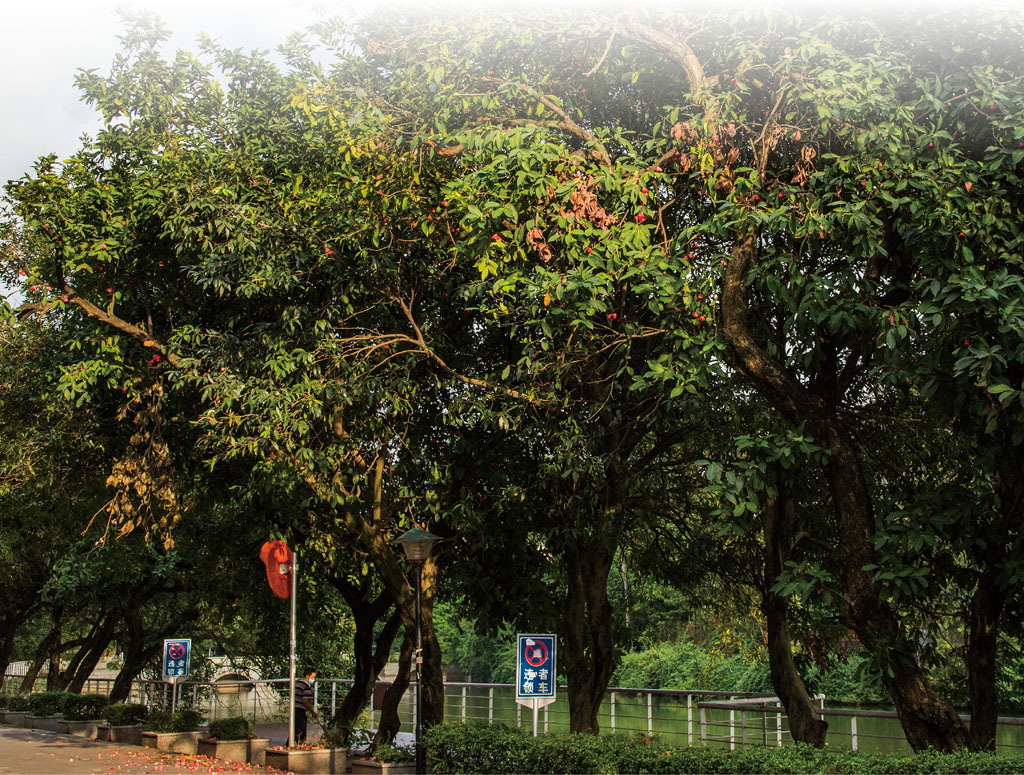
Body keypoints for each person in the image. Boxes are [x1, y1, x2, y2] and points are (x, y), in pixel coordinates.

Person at [293, 666, 318, 744]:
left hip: (294, 708)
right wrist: (312, 711)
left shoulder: (297, 682)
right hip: (300, 709)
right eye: (312, 677)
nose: (313, 680)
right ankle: (301, 745)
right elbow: (305, 700)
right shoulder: (306, 685)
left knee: (295, 729)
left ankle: (290, 744)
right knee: (301, 730)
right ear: (307, 676)